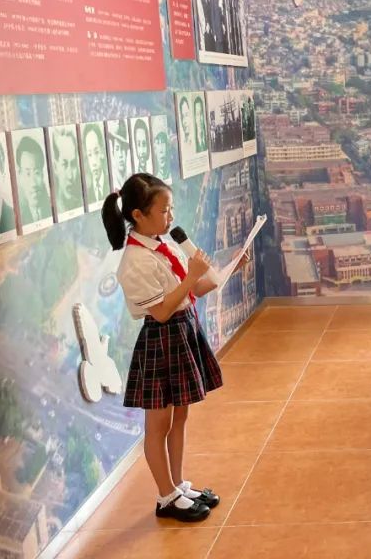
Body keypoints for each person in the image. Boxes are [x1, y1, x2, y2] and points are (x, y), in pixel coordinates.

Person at [102, 173, 248, 523]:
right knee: (158, 425)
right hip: (162, 337)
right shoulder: (135, 260)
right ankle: (166, 495)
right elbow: (162, 311)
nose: (171, 217)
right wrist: (191, 275)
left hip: (183, 330)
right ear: (138, 215)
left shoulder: (164, 244)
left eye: (171, 209)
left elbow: (195, 290)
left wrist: (228, 267)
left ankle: (178, 484)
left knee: (180, 415)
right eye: (164, 210)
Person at [15, 135, 53, 226]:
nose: (33, 183)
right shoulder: (16, 217)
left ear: (43, 174)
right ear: (20, 175)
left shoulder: (54, 207)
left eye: (37, 173)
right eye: (27, 174)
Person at [51, 126, 85, 215]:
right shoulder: (51, 208)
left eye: (73, 164)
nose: (70, 176)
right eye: (64, 164)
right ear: (55, 167)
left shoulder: (82, 202)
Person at [83, 123, 111, 206]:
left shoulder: (110, 185)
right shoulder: (87, 194)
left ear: (102, 151)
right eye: (89, 155)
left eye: (96, 152)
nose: (93, 162)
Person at [109, 120, 132, 188]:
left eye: (122, 149)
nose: (120, 155)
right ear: (113, 152)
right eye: (117, 149)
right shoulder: (112, 181)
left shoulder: (131, 177)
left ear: (126, 151)